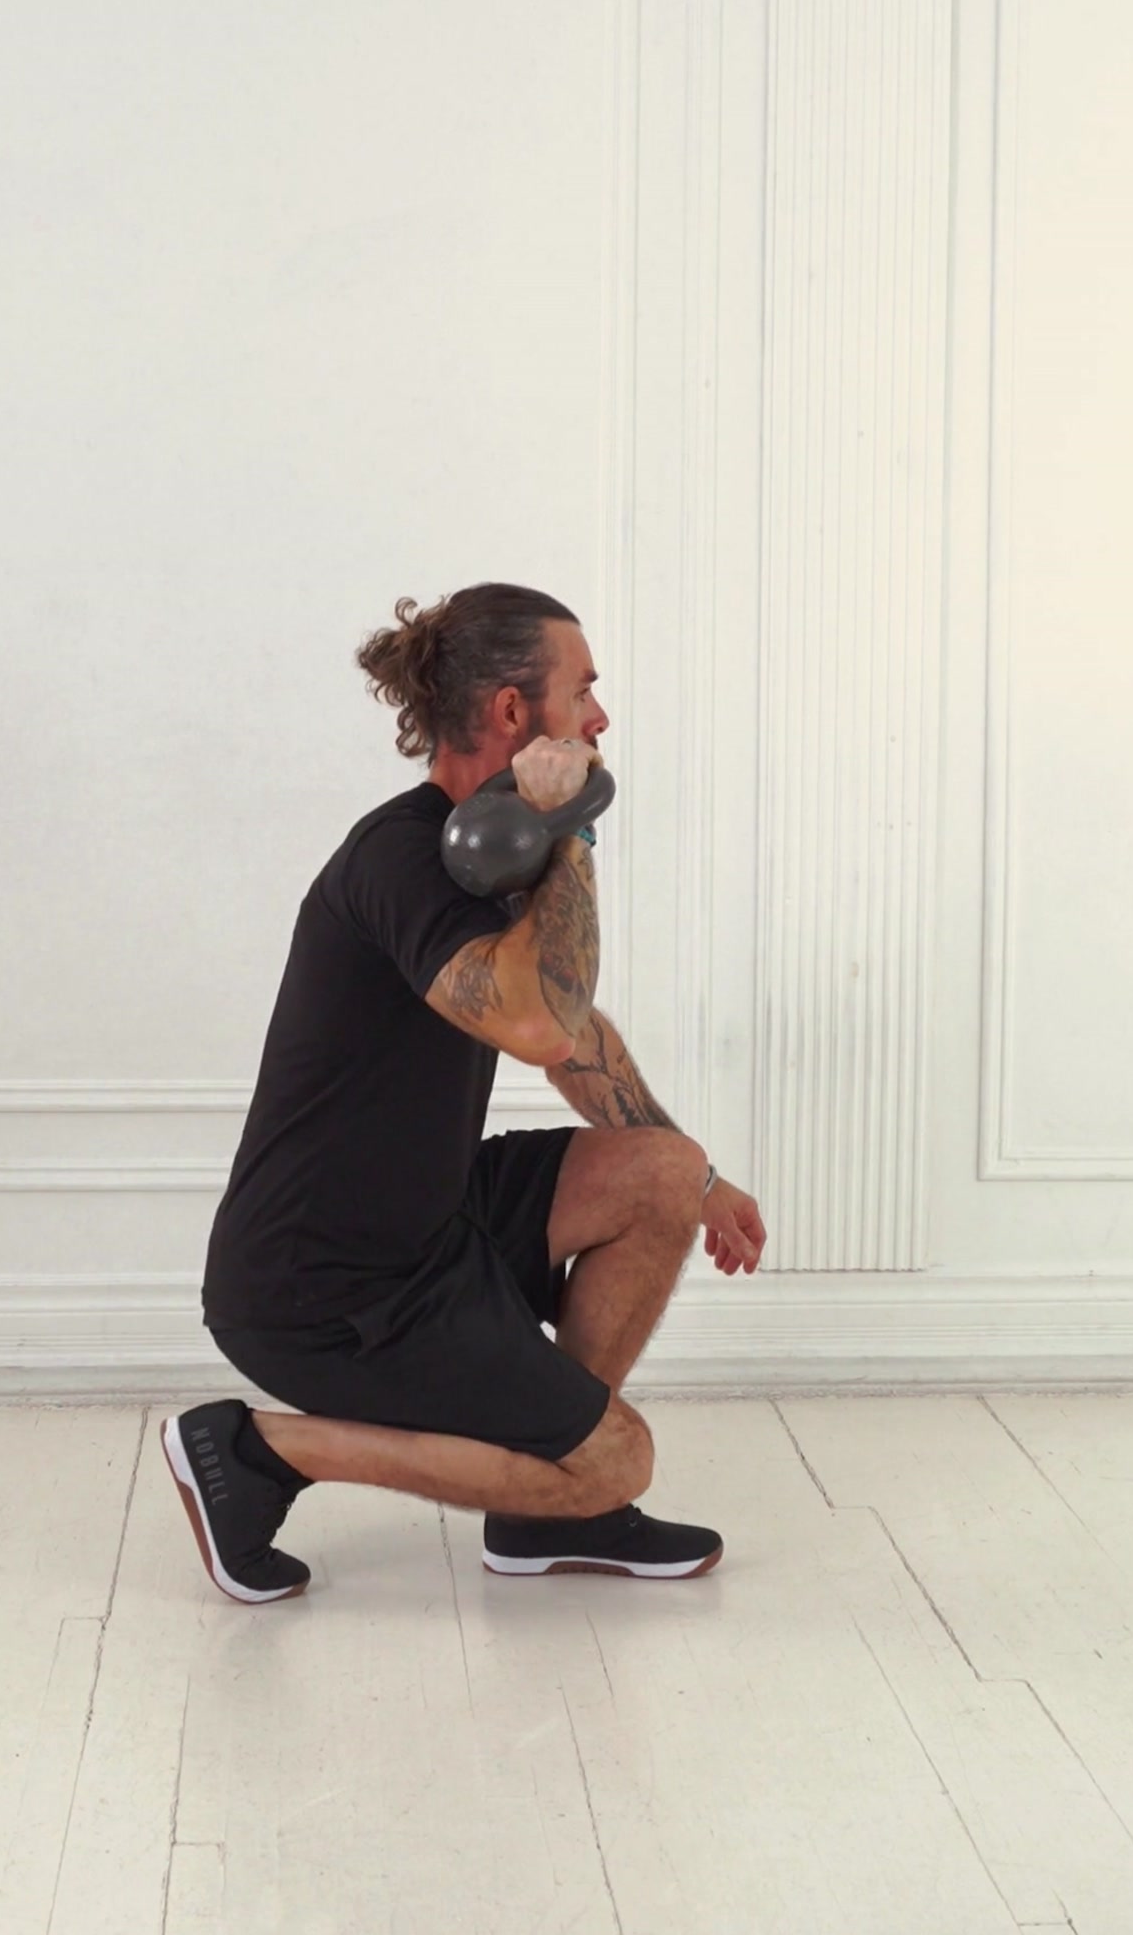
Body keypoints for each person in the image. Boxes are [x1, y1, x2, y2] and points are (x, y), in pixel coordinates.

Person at [162, 582, 766, 1603]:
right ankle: (259, 1451)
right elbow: (536, 1022)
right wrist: (573, 827)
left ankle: (547, 1504)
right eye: (584, 690)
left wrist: (702, 1180)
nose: (601, 718)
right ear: (513, 712)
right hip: (324, 1286)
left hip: (431, 1221)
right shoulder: (401, 858)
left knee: (663, 1172)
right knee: (622, 1459)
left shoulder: (494, 845)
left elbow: (568, 1031)